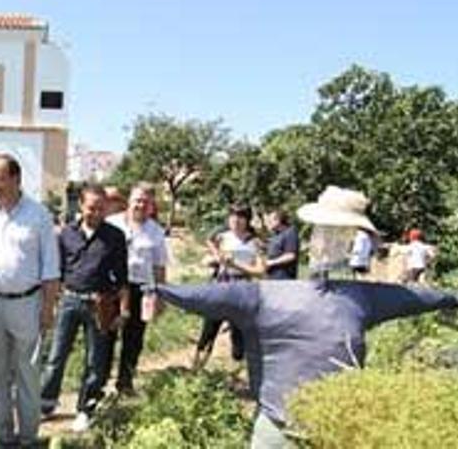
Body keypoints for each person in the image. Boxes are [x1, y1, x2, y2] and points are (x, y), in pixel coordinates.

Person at [148, 186, 458, 448]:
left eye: (344, 234)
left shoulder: (360, 298)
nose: (335, 240)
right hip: (278, 425)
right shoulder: (265, 297)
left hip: (338, 426)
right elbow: (205, 296)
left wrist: (452, 297)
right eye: (330, 232)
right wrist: (159, 290)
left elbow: (415, 298)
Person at [0, 153, 60, 448]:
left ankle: (29, 437)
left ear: (16, 179)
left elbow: (50, 266)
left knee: (27, 373)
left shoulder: (38, 214)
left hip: (27, 303)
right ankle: (2, 436)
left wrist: (48, 307)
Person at [40, 185, 128, 432]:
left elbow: (122, 276)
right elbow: (56, 272)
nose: (96, 212)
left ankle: (85, 409)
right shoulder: (66, 234)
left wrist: (124, 310)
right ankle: (46, 403)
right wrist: (52, 301)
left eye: (101, 208)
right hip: (69, 301)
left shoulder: (115, 237)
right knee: (56, 356)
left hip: (99, 303)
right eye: (91, 208)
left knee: (95, 360)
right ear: (81, 206)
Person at [105, 182, 168, 395]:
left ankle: (125, 382)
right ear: (129, 201)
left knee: (134, 338)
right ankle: (99, 381)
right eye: (137, 199)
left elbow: (159, 266)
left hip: (141, 289)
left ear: (151, 205)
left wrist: (160, 295)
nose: (140, 204)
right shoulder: (111, 223)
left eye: (145, 201)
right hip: (112, 287)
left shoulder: (156, 232)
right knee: (106, 335)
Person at [194, 203, 265, 367]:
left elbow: (260, 271)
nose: (235, 220)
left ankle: (237, 371)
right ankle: (196, 369)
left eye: (240, 217)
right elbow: (207, 257)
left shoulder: (255, 242)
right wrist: (214, 259)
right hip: (221, 285)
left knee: (239, 336)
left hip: (242, 289)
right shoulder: (222, 237)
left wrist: (236, 264)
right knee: (209, 329)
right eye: (232, 216)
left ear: (247, 220)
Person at [264, 209, 300, 279]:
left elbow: (290, 256)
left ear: (278, 220)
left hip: (284, 278)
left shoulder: (290, 232)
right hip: (272, 277)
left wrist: (271, 262)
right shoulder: (276, 234)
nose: (268, 223)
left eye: (270, 221)